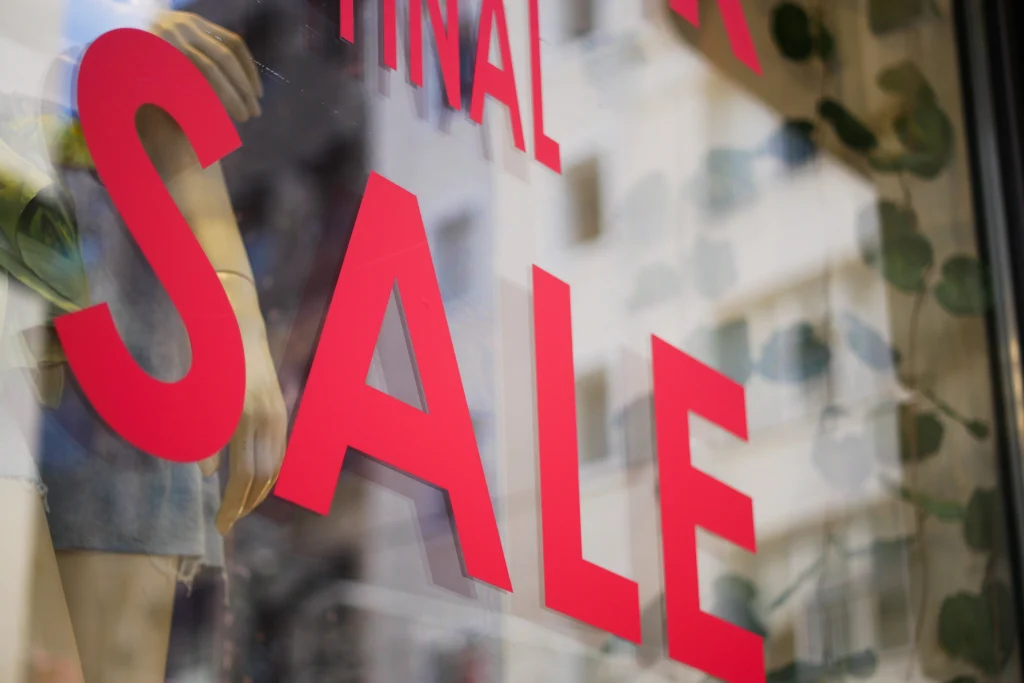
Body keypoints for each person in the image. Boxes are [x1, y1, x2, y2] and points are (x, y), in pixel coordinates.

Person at [0, 3, 286, 681]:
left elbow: (157, 139)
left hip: (104, 392)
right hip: (60, 387)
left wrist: (241, 325)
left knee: (112, 649)